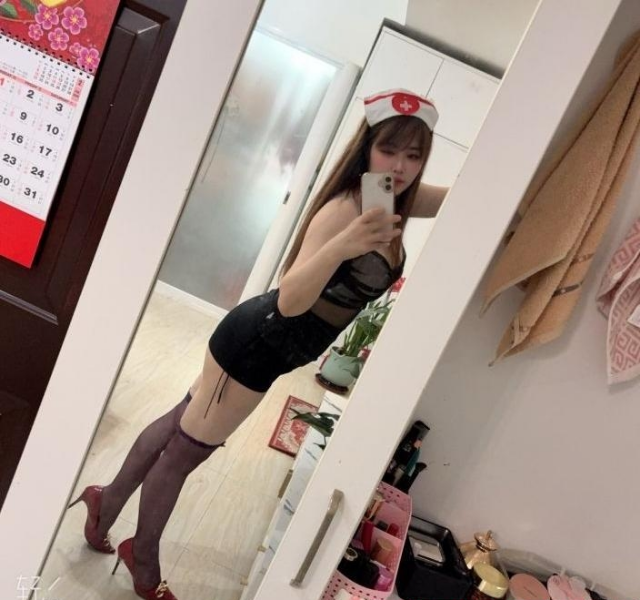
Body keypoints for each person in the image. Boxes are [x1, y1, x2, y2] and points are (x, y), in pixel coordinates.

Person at [67, 89, 448, 600]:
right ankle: (144, 561)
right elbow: (291, 299)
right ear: (367, 147)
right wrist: (346, 244)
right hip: (256, 345)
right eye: (389, 150)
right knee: (185, 454)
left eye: (414, 155)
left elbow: (458, 197)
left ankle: (104, 503)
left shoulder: (392, 196)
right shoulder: (345, 211)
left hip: (267, 347)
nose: (400, 166)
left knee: (180, 425)